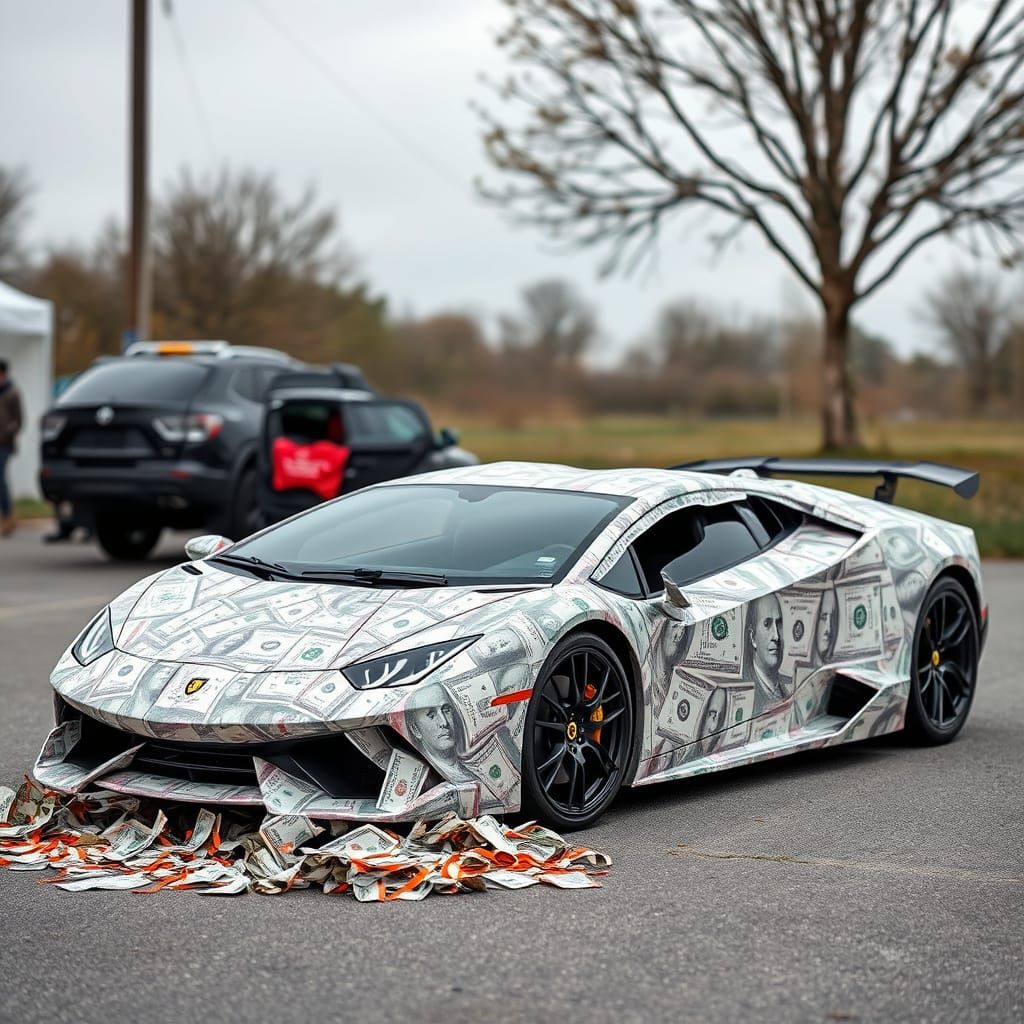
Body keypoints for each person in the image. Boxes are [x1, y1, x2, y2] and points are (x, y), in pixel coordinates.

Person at [744, 592, 788, 711]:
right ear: (753, 637)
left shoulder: (789, 685)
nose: (776, 636)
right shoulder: (744, 695)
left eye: (778, 623)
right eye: (767, 624)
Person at [0, 358, 23, 537]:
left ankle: (8, 516)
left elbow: (19, 420)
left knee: (0, 479)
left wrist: (8, 431)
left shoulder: (13, 392)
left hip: (4, 444)